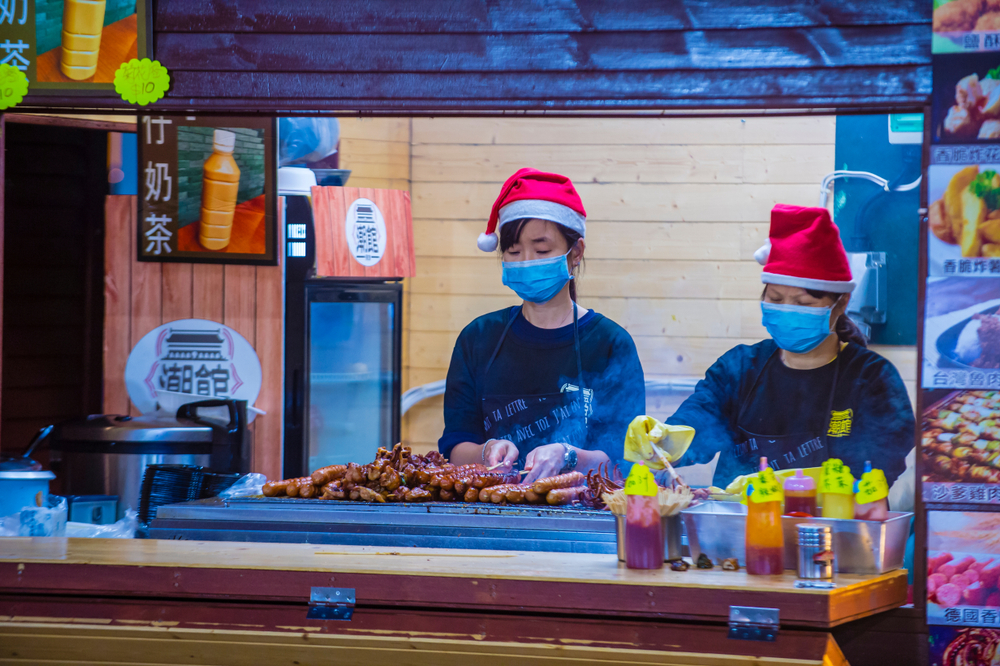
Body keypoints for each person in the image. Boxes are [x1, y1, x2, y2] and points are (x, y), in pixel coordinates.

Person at [640, 204, 915, 489]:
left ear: (840, 303)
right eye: (775, 299)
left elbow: (882, 459)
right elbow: (699, 420)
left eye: (803, 303)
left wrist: (791, 488)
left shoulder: (871, 378)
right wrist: (665, 441)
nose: (787, 310)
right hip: (739, 516)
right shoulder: (739, 368)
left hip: (833, 516)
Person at [438, 168, 645, 484]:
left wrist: (568, 455)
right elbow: (455, 446)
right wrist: (486, 451)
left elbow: (625, 460)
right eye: (514, 251)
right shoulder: (477, 339)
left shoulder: (610, 344)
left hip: (584, 510)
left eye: (542, 250)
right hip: (492, 506)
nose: (526, 261)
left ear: (576, 253)